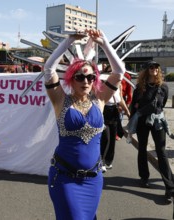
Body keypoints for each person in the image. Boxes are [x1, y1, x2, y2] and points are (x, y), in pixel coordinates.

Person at [45, 29, 126, 219]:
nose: (86, 81)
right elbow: (48, 70)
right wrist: (69, 41)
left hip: (93, 180)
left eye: (90, 77)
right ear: (71, 79)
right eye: (80, 77)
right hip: (64, 178)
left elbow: (119, 71)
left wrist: (104, 42)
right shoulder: (60, 100)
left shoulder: (100, 100)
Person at [130, 60, 174, 203]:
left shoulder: (163, 87)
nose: (154, 69)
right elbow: (134, 106)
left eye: (156, 67)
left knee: (161, 151)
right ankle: (144, 177)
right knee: (142, 148)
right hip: (143, 122)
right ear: (146, 70)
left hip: (157, 122)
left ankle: (169, 187)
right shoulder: (140, 87)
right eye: (151, 67)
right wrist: (132, 125)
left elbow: (162, 104)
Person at [100, 73, 130, 172]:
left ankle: (108, 161)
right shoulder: (102, 84)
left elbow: (121, 100)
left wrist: (127, 112)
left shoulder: (119, 85)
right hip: (103, 111)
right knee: (106, 138)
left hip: (114, 112)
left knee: (112, 138)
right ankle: (101, 161)